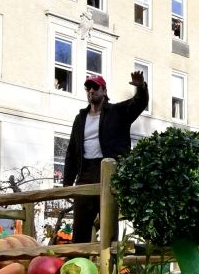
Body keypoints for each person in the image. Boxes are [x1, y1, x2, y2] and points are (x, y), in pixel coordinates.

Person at [62, 71, 150, 246]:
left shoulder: (117, 112)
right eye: (88, 88)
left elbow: (139, 103)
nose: (91, 91)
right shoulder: (80, 119)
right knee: (80, 229)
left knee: (109, 228)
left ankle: (110, 270)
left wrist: (141, 87)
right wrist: (67, 184)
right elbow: (72, 152)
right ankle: (78, 269)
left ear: (104, 90)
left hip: (109, 174)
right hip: (85, 174)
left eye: (95, 87)